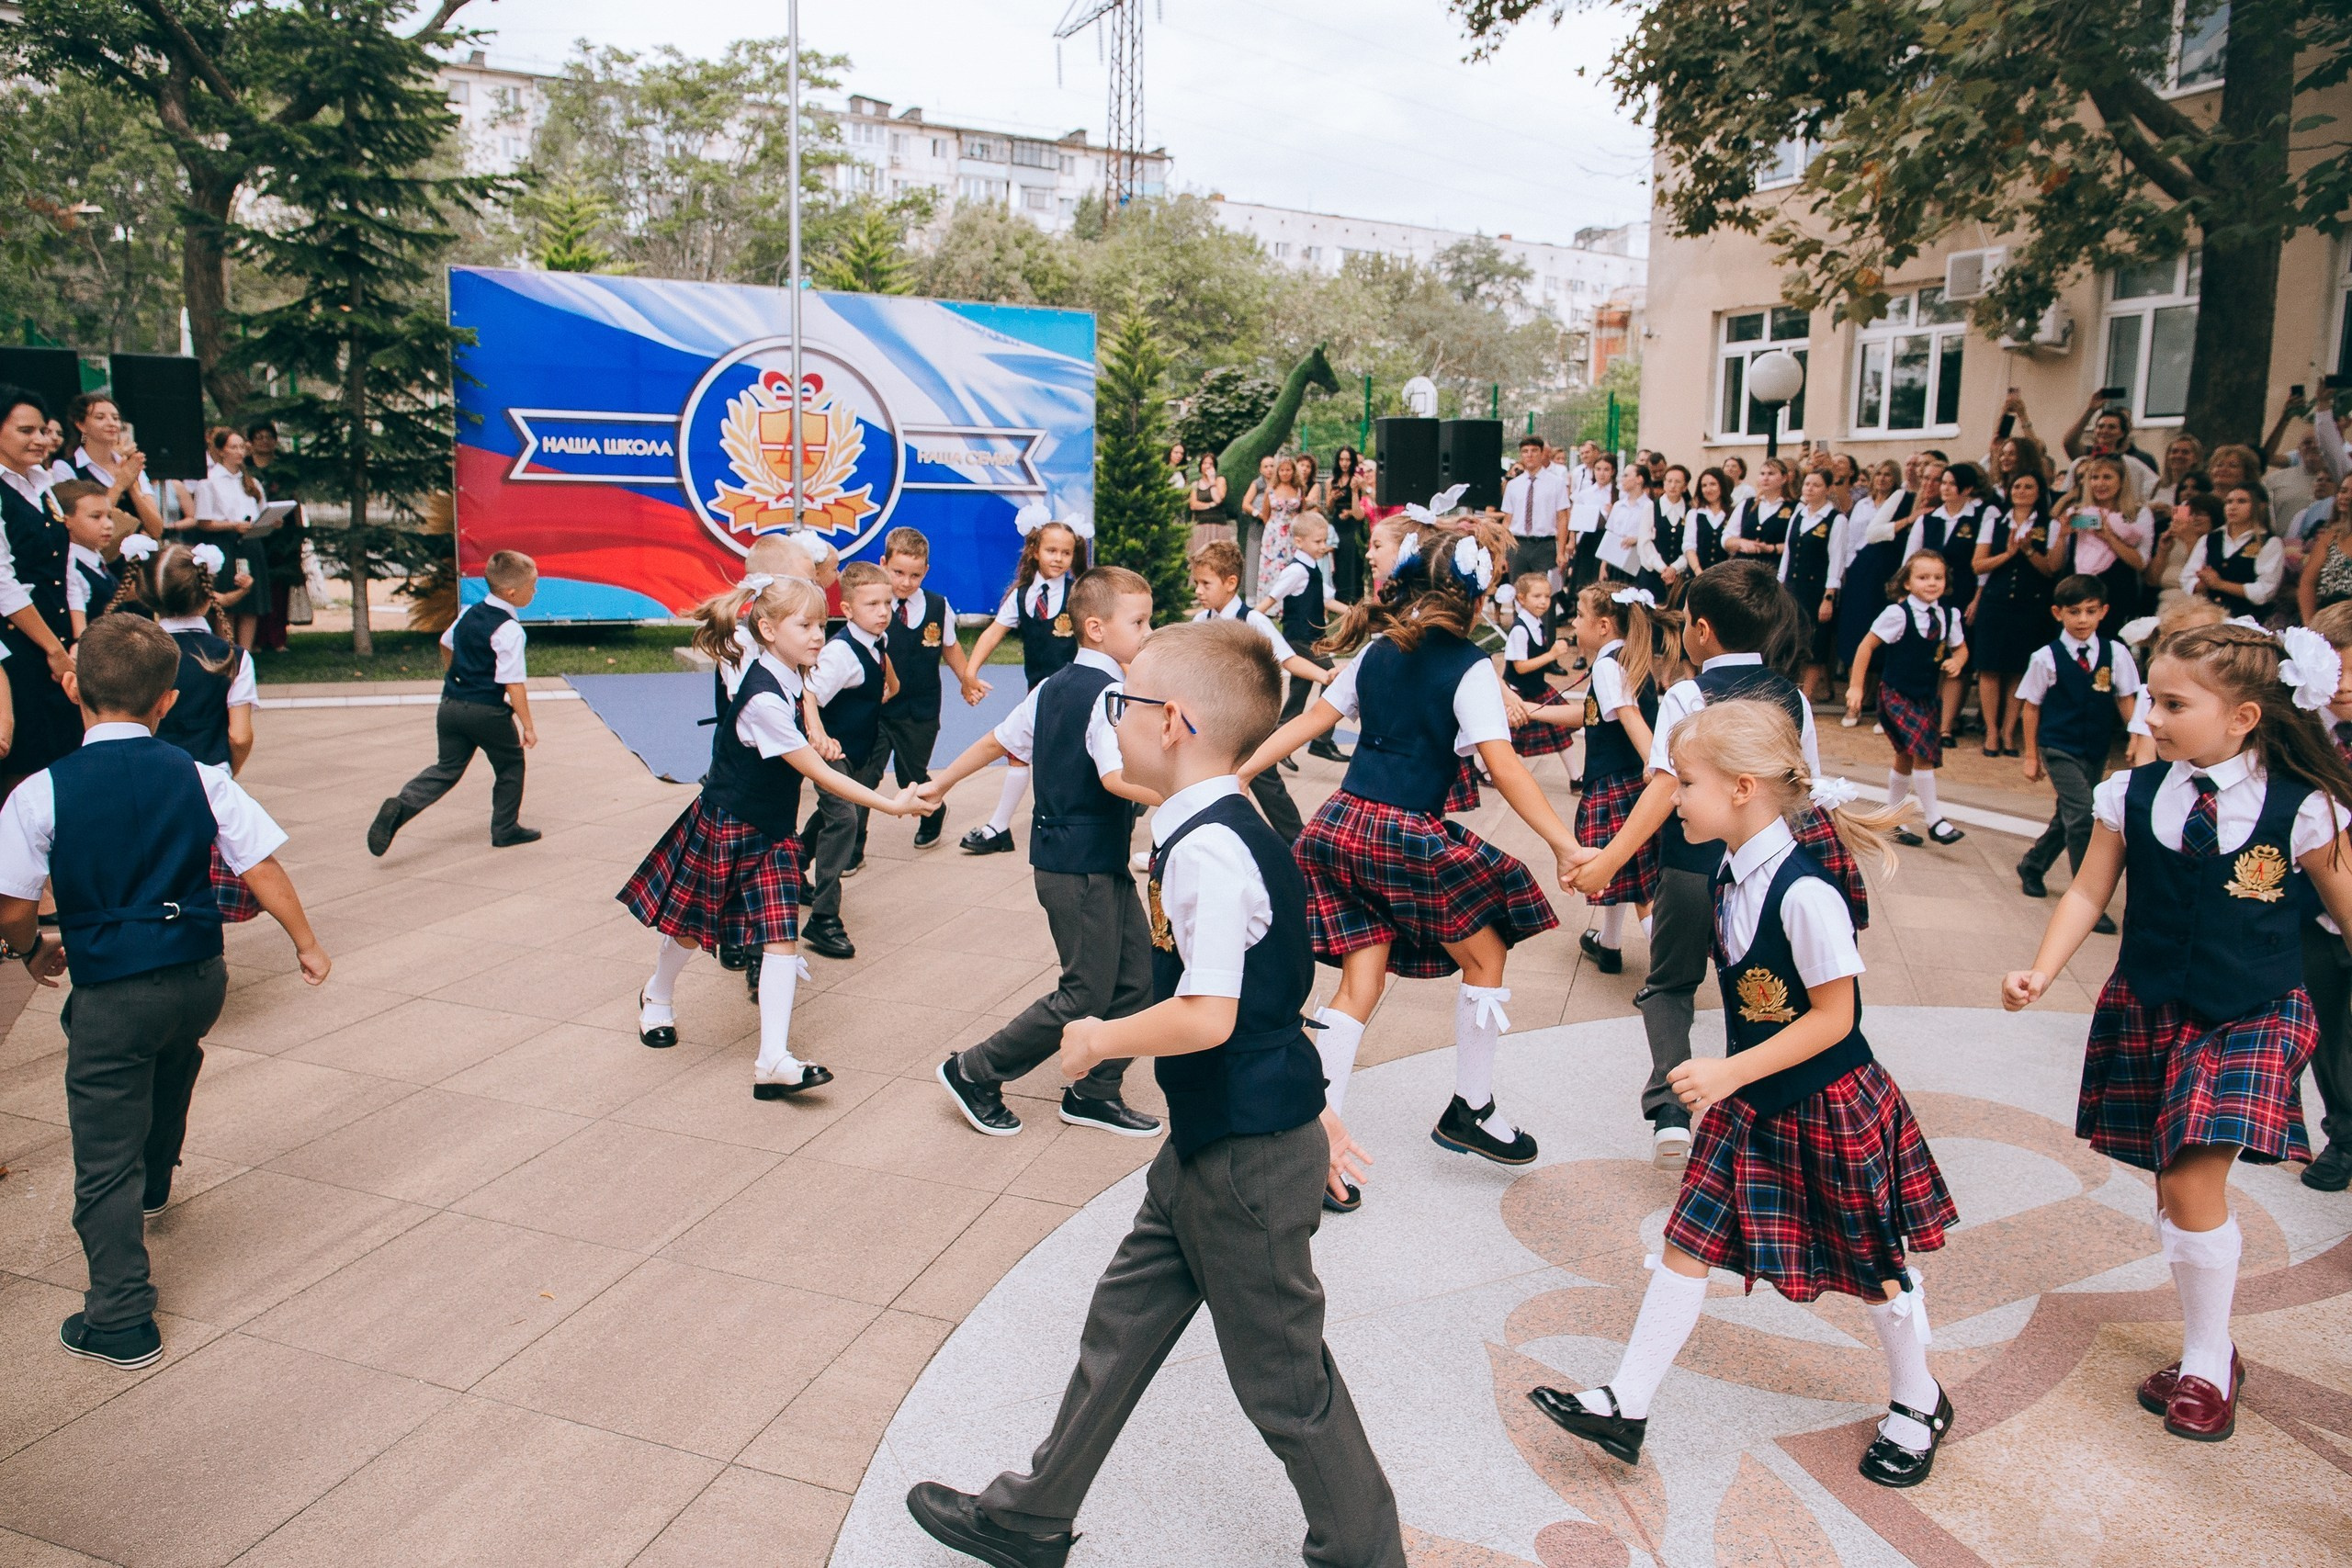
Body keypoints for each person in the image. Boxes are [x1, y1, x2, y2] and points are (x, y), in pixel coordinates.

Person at [907, 618, 1403, 1568]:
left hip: (1244, 1163)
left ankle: (1364, 1552)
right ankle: (1029, 1517)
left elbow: (1211, 1013)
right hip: (1217, 1142)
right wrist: (1313, 1101)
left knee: (1285, 1384)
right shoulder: (1211, 824)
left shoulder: (1211, 848)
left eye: (1122, 699)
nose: (1113, 713)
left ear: (1170, 721)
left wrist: (1099, 1036)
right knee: (1122, 1323)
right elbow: (1271, 990)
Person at [1533, 696, 1954, 1487]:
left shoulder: (1805, 892)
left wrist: (1726, 1071)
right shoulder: (1730, 870)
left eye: (1683, 782)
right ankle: (1627, 1401)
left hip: (1828, 1101)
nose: (1672, 798)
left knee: (1875, 1263)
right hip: (1754, 1100)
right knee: (1685, 1243)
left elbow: (1838, 1018)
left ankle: (1918, 1397)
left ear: (1742, 788)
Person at [2003, 621, 2352, 1443]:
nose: (2151, 716)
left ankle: (2203, 1365)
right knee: (2174, 1188)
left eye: (2171, 702)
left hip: (2255, 1011)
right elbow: (2089, 893)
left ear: (2244, 717)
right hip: (2150, 1006)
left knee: (2195, 1181)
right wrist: (2042, 969)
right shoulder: (2131, 792)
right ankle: (2215, 1348)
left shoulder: (2305, 809)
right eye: (2152, 698)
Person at [0, 615, 326, 1368]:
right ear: (168, 701)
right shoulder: (201, 775)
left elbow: (14, 905)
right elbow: (262, 866)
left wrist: (30, 950)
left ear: (73, 685)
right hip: (200, 976)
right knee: (177, 1053)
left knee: (100, 1150)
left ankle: (119, 1316)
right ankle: (156, 1174)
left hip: (113, 986)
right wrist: (306, 943)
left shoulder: (41, 791)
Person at [1242, 508, 1573, 1189]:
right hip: (1402, 832)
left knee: (1363, 977)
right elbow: (1504, 767)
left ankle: (1316, 1142)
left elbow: (1310, 720)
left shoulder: (1375, 652)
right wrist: (1566, 843)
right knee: (1486, 951)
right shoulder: (1471, 666)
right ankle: (1470, 1106)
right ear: (1479, 600)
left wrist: (1238, 771)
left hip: (1337, 828)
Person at [1569, 560, 1871, 1170]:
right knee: (1769, 987)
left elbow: (1661, 787)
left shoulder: (1686, 693)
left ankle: (1671, 1112)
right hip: (1766, 864)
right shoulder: (1794, 698)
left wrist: (1607, 863)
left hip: (1690, 865)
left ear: (1701, 631)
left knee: (1670, 985)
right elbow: (1802, 786)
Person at [622, 574, 921, 1096]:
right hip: (730, 824)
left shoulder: (790, 674)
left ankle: (774, 1061)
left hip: (775, 834)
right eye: (803, 626)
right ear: (766, 628)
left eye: (821, 625)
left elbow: (805, 694)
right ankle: (657, 995)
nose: (816, 636)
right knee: (694, 930)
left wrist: (818, 725)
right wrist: (892, 804)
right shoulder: (760, 697)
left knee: (781, 939)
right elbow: (819, 773)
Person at [922, 566, 1166, 1139]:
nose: (1149, 631)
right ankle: (974, 1071)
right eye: (1139, 621)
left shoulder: (1053, 686)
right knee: (1086, 989)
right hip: (1076, 867)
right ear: (1096, 628)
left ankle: (1093, 1091)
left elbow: (997, 741)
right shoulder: (1106, 693)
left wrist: (943, 783)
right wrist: (1180, 794)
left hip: (1087, 861)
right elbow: (1112, 776)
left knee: (1137, 980)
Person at [368, 550, 542, 855]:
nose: (535, 591)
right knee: (511, 765)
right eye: (533, 585)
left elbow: (445, 643)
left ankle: (401, 805)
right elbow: (514, 683)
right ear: (513, 593)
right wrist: (528, 726)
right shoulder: (510, 630)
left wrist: (456, 676)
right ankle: (505, 829)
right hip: (486, 712)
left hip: (450, 705)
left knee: (446, 767)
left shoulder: (468, 613)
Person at [959, 507, 1091, 855]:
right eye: (1052, 550)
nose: (1059, 558)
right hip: (1039, 693)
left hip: (1075, 690)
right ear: (1035, 551)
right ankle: (999, 829)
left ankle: (1005, 827)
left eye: (1067, 552)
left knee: (1072, 756)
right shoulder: (1021, 596)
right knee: (1018, 752)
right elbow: (991, 635)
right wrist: (970, 671)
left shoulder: (1079, 594)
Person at [2016, 575, 2140, 930]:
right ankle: (2089, 899)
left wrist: (2135, 737)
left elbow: (2125, 698)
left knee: (2068, 815)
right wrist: (2030, 756)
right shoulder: (2045, 658)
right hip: (2058, 746)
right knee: (2085, 815)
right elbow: (2031, 706)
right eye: (2074, 612)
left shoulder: (2115, 653)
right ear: (2058, 614)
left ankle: (2033, 865)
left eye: (2090, 611)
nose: (2083, 619)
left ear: (2103, 612)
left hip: (2094, 746)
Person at [1564, 582, 1674, 973]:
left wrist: (1655, 763)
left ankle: (1668, 974)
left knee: (1642, 887)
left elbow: (1629, 717)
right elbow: (1592, 716)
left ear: (1605, 625)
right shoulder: (1628, 659)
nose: (1574, 623)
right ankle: (1609, 945)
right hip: (1627, 780)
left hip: (1619, 781)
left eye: (1579, 615)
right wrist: (1532, 710)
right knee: (1628, 872)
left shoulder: (1610, 666)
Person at [1188, 540, 1330, 841]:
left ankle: (1300, 844)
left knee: (1267, 783)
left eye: (1205, 583)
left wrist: (1324, 676)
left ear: (1230, 583)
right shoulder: (1201, 622)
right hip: (1210, 722)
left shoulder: (1253, 621)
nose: (1198, 590)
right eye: (1196, 583)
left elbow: (1289, 660)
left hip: (1247, 723)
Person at [797, 559, 899, 962]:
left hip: (856, 750)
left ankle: (789, 869)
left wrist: (889, 686)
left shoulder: (875, 642)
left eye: (887, 603)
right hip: (830, 753)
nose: (883, 611)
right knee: (844, 819)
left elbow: (880, 676)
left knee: (828, 817)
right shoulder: (840, 652)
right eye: (872, 604)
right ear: (847, 609)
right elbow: (806, 692)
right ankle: (823, 919)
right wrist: (819, 736)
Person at [1847, 551, 1969, 847]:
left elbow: (1962, 649)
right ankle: (1935, 819)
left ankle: (1893, 818)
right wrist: (1856, 687)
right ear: (1906, 583)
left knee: (1905, 755)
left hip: (1926, 696)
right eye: (1923, 577)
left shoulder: (1948, 616)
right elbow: (1866, 647)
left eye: (1938, 578)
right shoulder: (1897, 614)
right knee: (1923, 752)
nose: (1931, 583)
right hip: (1896, 694)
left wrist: (1958, 662)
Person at [875, 526, 983, 853]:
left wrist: (967, 680)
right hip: (877, 708)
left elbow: (950, 647)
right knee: (864, 774)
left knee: (911, 775)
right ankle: (853, 842)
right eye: (898, 573)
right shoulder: (874, 605)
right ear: (883, 564)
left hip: (920, 709)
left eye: (915, 575)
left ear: (926, 572)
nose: (906, 582)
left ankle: (933, 814)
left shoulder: (938, 606)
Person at [2298, 601, 2352, 1192]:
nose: (2347, 689)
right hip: (2313, 908)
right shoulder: (2305, 732)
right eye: (2337, 674)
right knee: (2327, 1025)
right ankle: (2345, 1132)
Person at [0, 388, 80, 789]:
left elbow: (65, 570)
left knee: (61, 752)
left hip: (57, 641)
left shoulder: (41, 484)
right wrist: (52, 649)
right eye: (24, 430)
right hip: (16, 647)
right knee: (23, 758)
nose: (39, 439)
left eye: (43, 431)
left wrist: (74, 640)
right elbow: (3, 585)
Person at [1972, 467, 2067, 758]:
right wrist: (2008, 554)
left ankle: (2008, 731)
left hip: (2030, 603)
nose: (2021, 491)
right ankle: (1990, 730)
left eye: (2028, 486)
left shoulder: (2047, 526)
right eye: (2017, 486)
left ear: (2039, 493)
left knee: (2018, 669)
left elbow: (2052, 568)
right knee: (1989, 667)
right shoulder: (1995, 522)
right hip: (1996, 601)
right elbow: (1978, 564)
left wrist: (2027, 551)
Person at [1900, 458, 1982, 744]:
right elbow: (1911, 559)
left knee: (1956, 661)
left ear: (1967, 488)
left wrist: (1977, 598)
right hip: (1927, 596)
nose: (1945, 488)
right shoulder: (1928, 518)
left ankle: (1947, 725)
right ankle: (1927, 718)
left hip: (1961, 595)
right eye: (1943, 483)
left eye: (1951, 483)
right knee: (1928, 657)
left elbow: (1981, 565)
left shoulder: (1981, 516)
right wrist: (1905, 592)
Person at [1254, 511, 1349, 754]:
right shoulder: (1296, 570)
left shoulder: (1313, 568)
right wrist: (1252, 618)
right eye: (1317, 542)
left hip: (1312, 638)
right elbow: (1271, 599)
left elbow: (1326, 599)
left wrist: (1355, 612)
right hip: (1300, 640)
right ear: (1299, 541)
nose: (1323, 547)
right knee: (1332, 676)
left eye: (1324, 541)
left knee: (1299, 692)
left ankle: (1277, 740)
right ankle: (1321, 740)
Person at [191, 427, 269, 651]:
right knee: (227, 603)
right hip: (225, 543)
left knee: (250, 605)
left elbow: (261, 512)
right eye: (233, 447)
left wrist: (270, 521)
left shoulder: (251, 482)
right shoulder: (209, 482)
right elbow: (203, 522)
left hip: (251, 542)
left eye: (241, 447)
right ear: (221, 451)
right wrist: (233, 525)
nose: (239, 452)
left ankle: (245, 655)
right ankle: (227, 652)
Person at [1835, 460, 1911, 680]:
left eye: (1888, 475)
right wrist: (1847, 567)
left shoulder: (1900, 503)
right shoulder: (1863, 504)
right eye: (1878, 474)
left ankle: (1871, 688)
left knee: (1877, 621)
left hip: (1885, 567)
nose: (1882, 479)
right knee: (1855, 623)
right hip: (1859, 567)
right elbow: (1852, 538)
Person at [2062, 454, 2153, 636]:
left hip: (2116, 593)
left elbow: (2140, 562)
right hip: (2079, 590)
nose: (2100, 483)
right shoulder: (2077, 513)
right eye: (2094, 478)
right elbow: (2062, 557)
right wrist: (2063, 532)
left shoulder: (2137, 514)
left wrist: (2108, 536)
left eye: (2107, 477)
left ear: (2121, 481)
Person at [1498, 572, 1577, 773]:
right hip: (1519, 691)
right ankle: (1482, 768)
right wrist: (1551, 655)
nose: (1543, 602)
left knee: (1560, 730)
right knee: (1506, 733)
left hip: (1536, 688)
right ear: (1521, 598)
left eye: (1547, 596)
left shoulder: (1537, 623)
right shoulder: (1520, 630)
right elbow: (1520, 667)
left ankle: (1576, 776)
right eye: (1537, 596)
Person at [1779, 468, 1846, 703]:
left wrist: (1828, 597)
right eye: (1807, 484)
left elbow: (1836, 560)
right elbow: (1787, 552)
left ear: (1828, 489)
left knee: (1816, 645)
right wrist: (1780, 584)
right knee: (1791, 642)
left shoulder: (1835, 520)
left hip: (1817, 590)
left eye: (1816, 485)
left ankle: (1806, 698)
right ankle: (1793, 691)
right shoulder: (1798, 513)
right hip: (1792, 587)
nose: (1810, 489)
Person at [65, 393, 164, 541]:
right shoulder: (68, 467)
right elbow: (78, 527)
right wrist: (119, 485)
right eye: (100, 417)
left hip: (136, 557)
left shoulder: (130, 465)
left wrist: (132, 487)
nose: (111, 423)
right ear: (81, 425)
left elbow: (156, 529)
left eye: (116, 418)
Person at [2180, 484, 2284, 613]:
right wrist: (2202, 582)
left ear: (2261, 506)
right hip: (2210, 614)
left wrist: (2220, 584)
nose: (2232, 507)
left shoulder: (2269, 542)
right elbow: (2187, 577)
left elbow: (2265, 590)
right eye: (2229, 502)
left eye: (2242, 501)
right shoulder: (2210, 539)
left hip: (2249, 617)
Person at [58, 480, 121, 641]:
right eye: (96, 517)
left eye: (109, 516)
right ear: (66, 521)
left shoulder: (96, 561)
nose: (108, 524)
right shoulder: (72, 569)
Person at [1502, 433, 1566, 583]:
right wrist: (1503, 553)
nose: (1529, 455)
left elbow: (1562, 518)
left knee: (1545, 593)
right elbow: (1507, 520)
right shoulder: (1513, 485)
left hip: (1544, 545)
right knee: (1519, 594)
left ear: (1542, 453)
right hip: (1517, 545)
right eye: (1525, 451)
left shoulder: (1556, 483)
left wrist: (1561, 552)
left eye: (1534, 451)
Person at [2296, 470, 2352, 623]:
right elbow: (2307, 583)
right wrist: (2310, 624)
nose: (2346, 496)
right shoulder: (2330, 536)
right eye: (2343, 490)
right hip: (2326, 617)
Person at [1726, 456, 1793, 570]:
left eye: (1771, 474)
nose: (1765, 478)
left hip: (1775, 570)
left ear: (1784, 478)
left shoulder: (1795, 507)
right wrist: (1741, 542)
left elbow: (1797, 544)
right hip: (1744, 570)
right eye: (1762, 474)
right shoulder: (1747, 504)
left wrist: (1772, 548)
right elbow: (1727, 538)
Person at [1680, 466, 1736, 579]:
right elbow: (1689, 546)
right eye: (1704, 485)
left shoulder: (1733, 514)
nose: (1708, 489)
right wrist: (1699, 572)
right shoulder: (1694, 514)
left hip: (1725, 578)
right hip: (1697, 576)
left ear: (1722, 486)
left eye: (1713, 484)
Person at [1329, 445, 1367, 602]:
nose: (1344, 463)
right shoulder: (1332, 481)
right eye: (1341, 459)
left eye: (1348, 460)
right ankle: (1340, 596)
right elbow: (1329, 508)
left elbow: (1363, 505)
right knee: (1338, 558)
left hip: (1353, 524)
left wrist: (1353, 492)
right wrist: (1333, 498)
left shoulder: (1358, 481)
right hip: (1337, 523)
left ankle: (1355, 595)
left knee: (1353, 557)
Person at [1186, 450, 1230, 551]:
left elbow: (1218, 499)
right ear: (1201, 466)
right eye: (1205, 463)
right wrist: (1210, 505)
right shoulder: (1195, 484)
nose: (1207, 466)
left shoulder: (1220, 480)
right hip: (1201, 524)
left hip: (1218, 524)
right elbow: (1193, 505)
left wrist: (1211, 482)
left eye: (1210, 464)